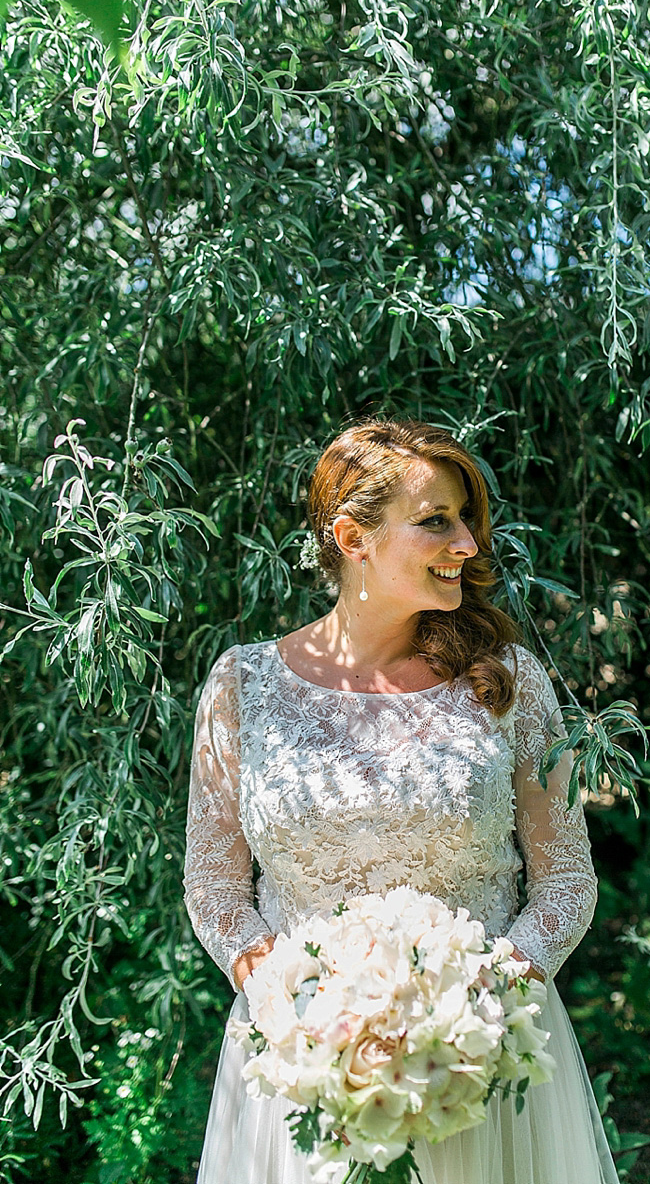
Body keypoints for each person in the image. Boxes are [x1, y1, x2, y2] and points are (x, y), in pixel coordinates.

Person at [184, 417, 619, 1184]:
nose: (468, 544)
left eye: (466, 518)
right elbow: (216, 888)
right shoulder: (240, 686)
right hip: (301, 1066)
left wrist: (483, 1006)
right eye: (436, 521)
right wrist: (290, 1006)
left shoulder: (508, 680)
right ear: (353, 539)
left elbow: (567, 882)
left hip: (481, 1069)